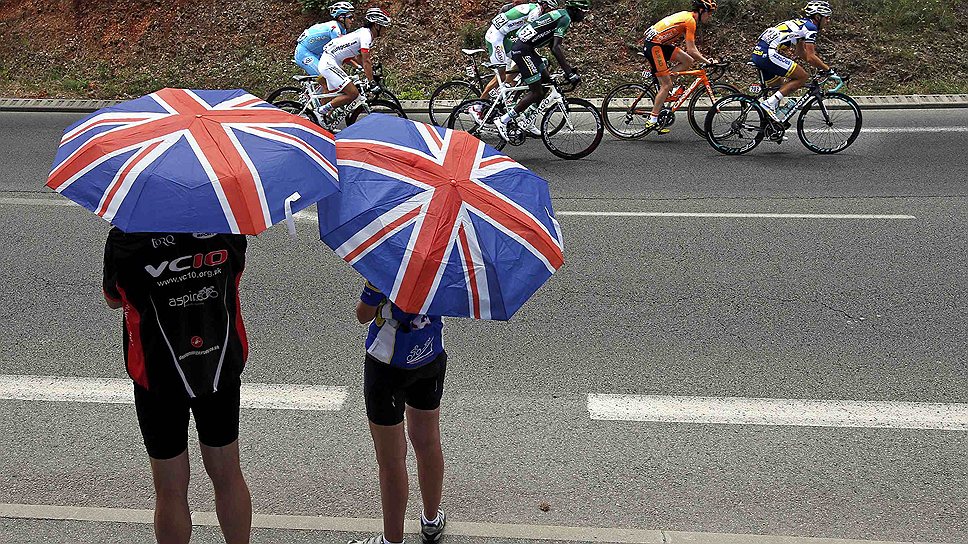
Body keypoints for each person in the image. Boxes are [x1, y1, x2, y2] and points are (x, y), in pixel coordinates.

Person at [102, 229, 251, 544]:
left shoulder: (127, 237)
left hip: (157, 374)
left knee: (170, 490)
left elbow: (113, 299)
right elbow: (235, 274)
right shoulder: (227, 228)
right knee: (227, 475)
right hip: (218, 364)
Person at [348, 281, 448, 544]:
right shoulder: (442, 262)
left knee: (391, 460)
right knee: (428, 442)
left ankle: (392, 541)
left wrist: (373, 286)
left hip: (386, 366)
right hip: (429, 355)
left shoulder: (386, 265)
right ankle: (431, 520)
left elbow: (363, 314)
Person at [494, 0, 590, 140]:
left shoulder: (561, 14)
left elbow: (552, 46)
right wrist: (569, 73)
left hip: (528, 49)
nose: (584, 15)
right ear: (575, 10)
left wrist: (567, 68)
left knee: (547, 81)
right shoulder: (565, 19)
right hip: (523, 51)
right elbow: (556, 48)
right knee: (537, 92)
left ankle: (527, 118)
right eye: (583, 11)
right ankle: (503, 121)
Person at [640, 0, 718, 135]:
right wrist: (708, 62)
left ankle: (666, 83)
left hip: (659, 44)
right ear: (701, 11)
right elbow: (691, 49)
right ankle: (652, 120)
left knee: (687, 61)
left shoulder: (687, 16)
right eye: (709, 13)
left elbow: (690, 55)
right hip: (654, 46)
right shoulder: (690, 21)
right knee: (666, 85)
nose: (709, 16)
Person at [752, 0, 836, 119]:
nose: (828, 21)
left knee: (779, 84)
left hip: (759, 53)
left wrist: (817, 66)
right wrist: (828, 70)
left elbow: (801, 53)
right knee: (802, 77)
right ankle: (769, 104)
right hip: (767, 53)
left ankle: (772, 127)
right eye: (826, 18)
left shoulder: (802, 24)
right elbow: (811, 57)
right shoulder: (811, 28)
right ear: (818, 17)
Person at [316, 7, 391, 120]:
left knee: (334, 94)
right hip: (329, 62)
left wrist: (369, 71)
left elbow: (359, 57)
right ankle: (320, 111)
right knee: (353, 93)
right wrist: (371, 82)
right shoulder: (366, 35)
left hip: (332, 62)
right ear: (376, 25)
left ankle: (322, 119)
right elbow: (366, 60)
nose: (386, 30)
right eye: (384, 27)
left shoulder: (364, 33)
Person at [479, 0, 553, 102]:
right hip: (495, 38)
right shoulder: (535, 13)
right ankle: (479, 105)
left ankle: (505, 87)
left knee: (520, 58)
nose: (550, 13)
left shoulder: (533, 8)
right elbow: (525, 35)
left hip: (504, 37)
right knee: (501, 75)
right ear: (544, 5)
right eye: (550, 9)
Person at [294, 2, 356, 79]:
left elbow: (346, 51)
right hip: (304, 53)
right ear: (341, 18)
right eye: (350, 17)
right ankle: (325, 90)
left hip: (318, 53)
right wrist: (358, 66)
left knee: (337, 75)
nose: (353, 20)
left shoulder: (342, 29)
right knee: (326, 77)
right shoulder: (334, 29)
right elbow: (340, 52)